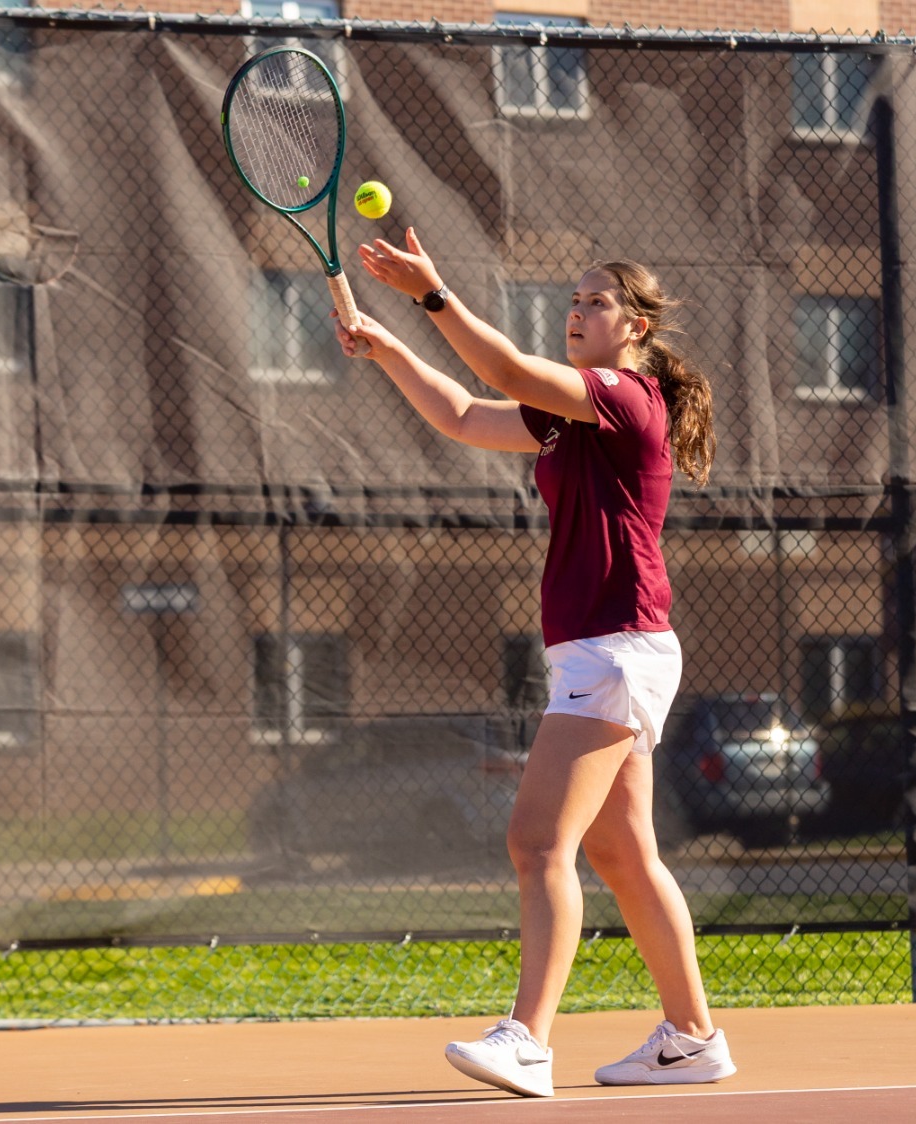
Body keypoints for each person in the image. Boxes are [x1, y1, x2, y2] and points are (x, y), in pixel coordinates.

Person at [333, 229, 732, 1099]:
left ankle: (529, 1040)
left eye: (595, 302)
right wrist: (393, 347)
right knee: (624, 857)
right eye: (573, 301)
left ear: (634, 327)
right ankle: (693, 1038)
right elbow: (467, 416)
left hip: (615, 647)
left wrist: (431, 294)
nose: (576, 312)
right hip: (612, 649)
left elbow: (507, 371)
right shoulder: (574, 415)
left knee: (537, 840)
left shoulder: (627, 399)